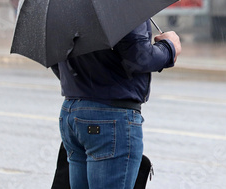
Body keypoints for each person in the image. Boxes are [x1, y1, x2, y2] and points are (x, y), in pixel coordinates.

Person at [51, 20, 181, 189]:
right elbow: (140, 57)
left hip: (72, 110)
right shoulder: (122, 0)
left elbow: (55, 59)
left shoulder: (64, 2)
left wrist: (83, 82)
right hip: (111, 114)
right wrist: (169, 47)